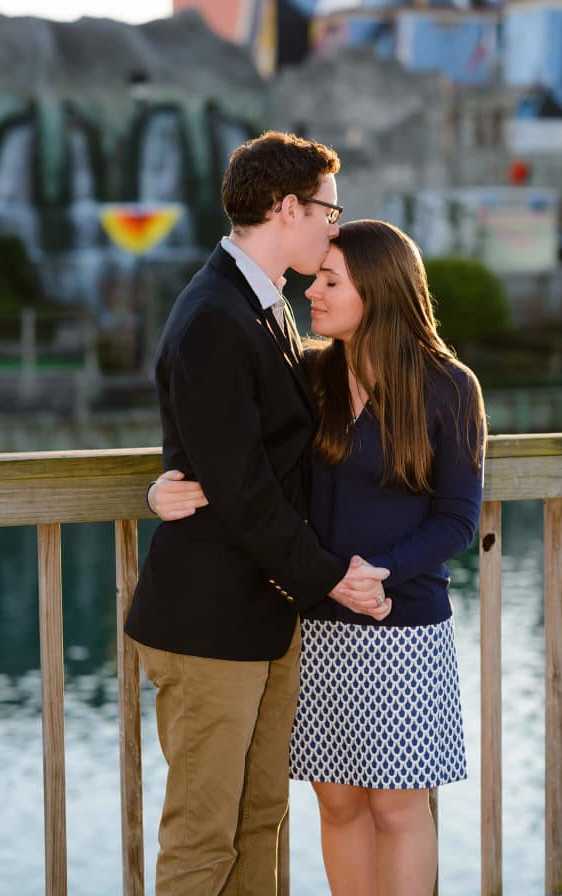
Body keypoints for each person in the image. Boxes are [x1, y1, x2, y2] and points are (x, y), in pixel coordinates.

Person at [151, 219, 485, 895]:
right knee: (336, 801)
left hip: (407, 622)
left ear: (380, 291)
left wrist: (379, 573)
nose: (313, 293)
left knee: (397, 804)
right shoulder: (309, 375)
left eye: (332, 282)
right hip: (318, 621)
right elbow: (232, 450)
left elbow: (457, 518)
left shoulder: (450, 387)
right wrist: (163, 481)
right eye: (316, 279)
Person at [121, 130, 391, 894]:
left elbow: (244, 452)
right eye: (329, 210)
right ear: (285, 207)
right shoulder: (214, 314)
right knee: (204, 843)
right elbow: (241, 489)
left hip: (263, 613)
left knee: (262, 819)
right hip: (208, 623)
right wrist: (333, 577)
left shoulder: (263, 306)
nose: (335, 226)